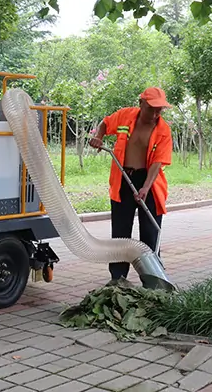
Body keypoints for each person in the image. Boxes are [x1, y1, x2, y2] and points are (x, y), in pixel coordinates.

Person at [89, 86, 173, 286]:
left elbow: (157, 163)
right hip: (123, 180)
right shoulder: (125, 116)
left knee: (150, 235)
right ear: (141, 103)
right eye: (152, 108)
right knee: (120, 234)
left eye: (160, 109)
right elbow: (105, 123)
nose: (156, 114)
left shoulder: (163, 130)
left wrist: (145, 187)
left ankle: (154, 283)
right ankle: (117, 280)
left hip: (149, 184)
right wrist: (99, 137)